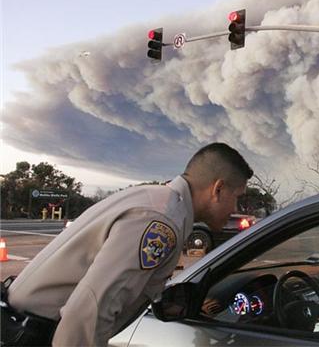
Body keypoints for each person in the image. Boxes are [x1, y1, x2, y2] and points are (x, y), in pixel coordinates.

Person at [1, 142, 253, 347]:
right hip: (30, 336)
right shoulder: (161, 220)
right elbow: (90, 311)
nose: (236, 209)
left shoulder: (158, 201)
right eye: (237, 197)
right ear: (218, 189)